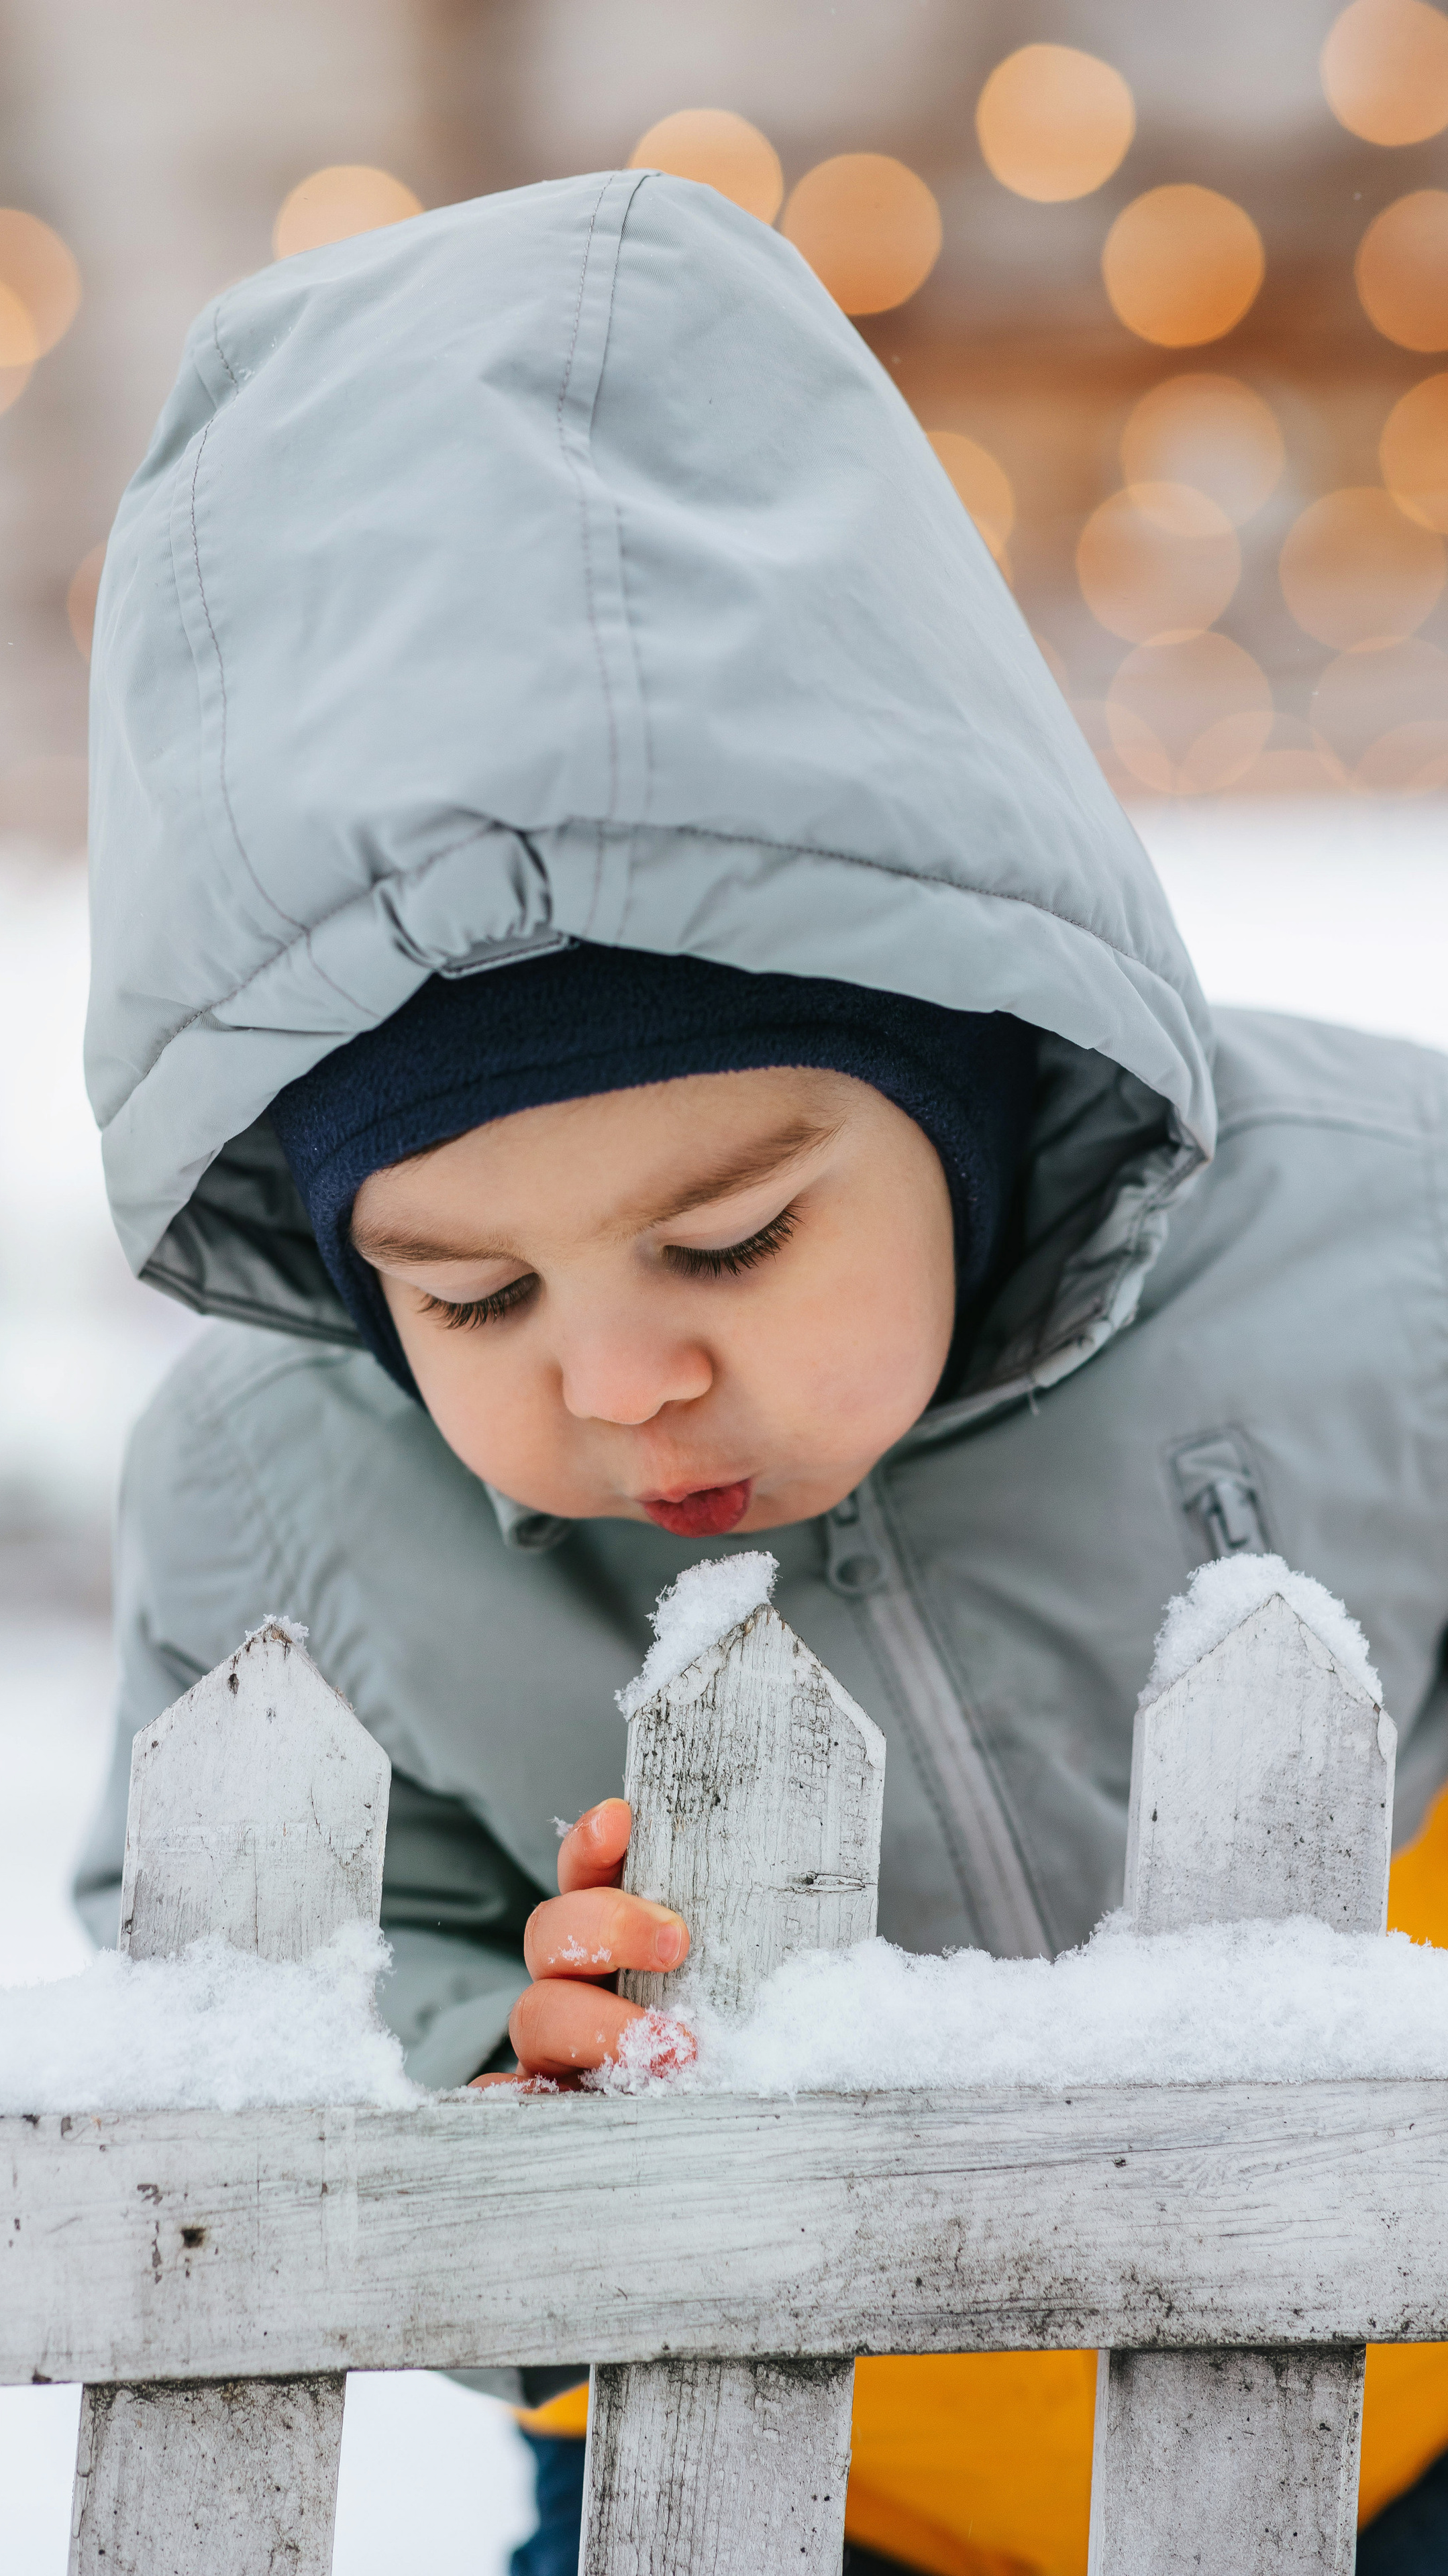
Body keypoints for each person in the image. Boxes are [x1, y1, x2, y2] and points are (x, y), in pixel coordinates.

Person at [74, 167, 1448, 2573]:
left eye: (729, 1236)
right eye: (466, 1297)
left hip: (1400, 2386)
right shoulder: (278, 1498)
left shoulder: (1386, 1233)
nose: (619, 1375)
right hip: (760, 2472)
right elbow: (237, 1974)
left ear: (981, 1079)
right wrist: (487, 2064)